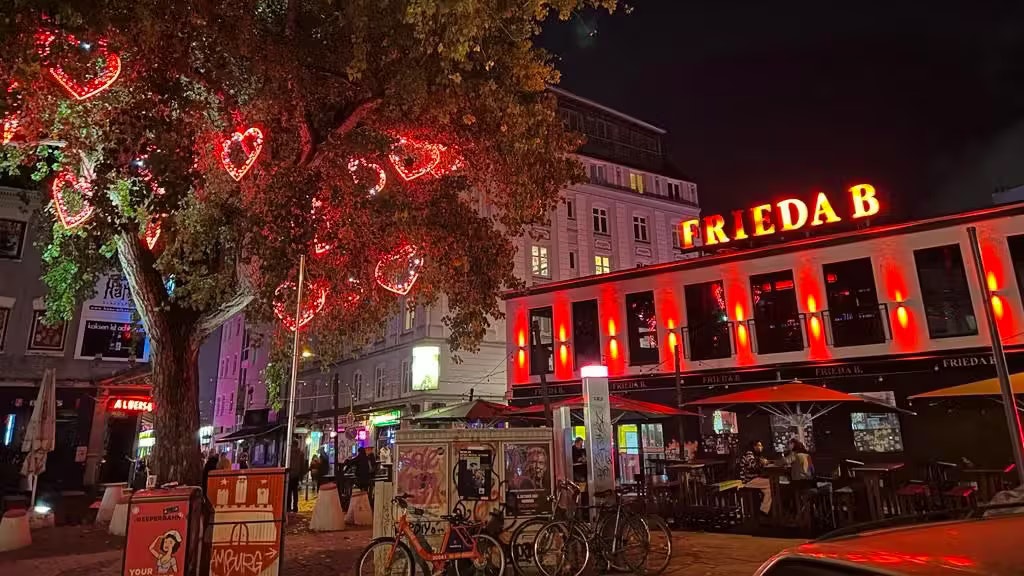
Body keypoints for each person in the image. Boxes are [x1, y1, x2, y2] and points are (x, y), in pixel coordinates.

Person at [739, 440, 773, 514]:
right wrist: (762, 463)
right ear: (754, 447)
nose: (761, 447)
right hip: (748, 480)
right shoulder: (749, 455)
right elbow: (754, 466)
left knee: (769, 490)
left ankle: (763, 511)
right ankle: (764, 511)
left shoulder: (754, 455)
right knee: (772, 483)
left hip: (754, 479)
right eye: (759, 445)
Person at [288, 440, 307, 513]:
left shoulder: (289, 452)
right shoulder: (301, 453)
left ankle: (288, 507)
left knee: (289, 492)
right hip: (296, 475)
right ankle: (295, 507)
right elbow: (302, 465)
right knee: (295, 492)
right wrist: (301, 476)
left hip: (290, 474)